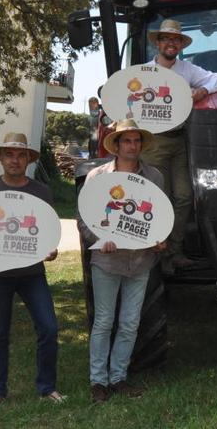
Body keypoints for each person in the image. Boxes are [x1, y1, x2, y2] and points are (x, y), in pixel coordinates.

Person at [0, 132, 63, 413]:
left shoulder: (41, 192)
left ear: (28, 160)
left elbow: (48, 232)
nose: (14, 160)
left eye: (21, 155)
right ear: (1, 158)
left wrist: (51, 250)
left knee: (48, 328)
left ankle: (47, 388)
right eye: (9, 154)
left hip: (32, 272)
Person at [78, 119, 167, 401]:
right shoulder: (97, 177)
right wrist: (98, 240)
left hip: (140, 260)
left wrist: (161, 238)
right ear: (116, 145)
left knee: (130, 322)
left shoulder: (154, 177)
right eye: (127, 140)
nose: (132, 146)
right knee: (104, 321)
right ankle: (98, 382)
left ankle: (118, 378)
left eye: (136, 141)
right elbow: (83, 218)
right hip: (107, 260)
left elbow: (161, 216)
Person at [141, 19, 217, 269]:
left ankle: (173, 251)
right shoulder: (144, 73)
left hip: (180, 141)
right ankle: (155, 255)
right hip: (154, 142)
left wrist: (204, 91)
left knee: (183, 197)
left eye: (176, 39)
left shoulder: (187, 70)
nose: (171, 43)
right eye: (166, 38)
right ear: (158, 43)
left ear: (180, 44)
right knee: (159, 198)